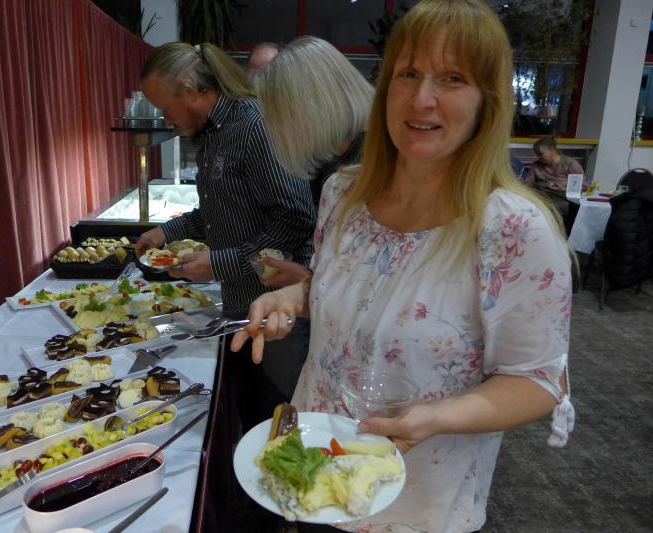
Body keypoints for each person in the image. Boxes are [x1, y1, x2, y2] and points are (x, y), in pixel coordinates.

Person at [232, 1, 573, 532]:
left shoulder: (513, 228)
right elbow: (357, 290)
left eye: (453, 78)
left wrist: (436, 417)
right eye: (408, 73)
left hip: (415, 502)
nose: (422, 98)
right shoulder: (344, 193)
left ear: (488, 102)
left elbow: (537, 379)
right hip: (312, 471)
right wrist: (294, 297)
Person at [135, 42, 316, 430]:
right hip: (241, 307)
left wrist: (219, 263)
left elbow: (296, 220)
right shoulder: (215, 133)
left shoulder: (253, 126)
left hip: (278, 312)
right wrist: (167, 231)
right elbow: (220, 212)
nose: (166, 119)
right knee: (249, 418)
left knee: (278, 422)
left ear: (188, 90)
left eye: (165, 107)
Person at [252, 35, 374, 288]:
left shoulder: (370, 161)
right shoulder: (335, 154)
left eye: (278, 115)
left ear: (311, 107)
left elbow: (366, 282)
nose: (276, 129)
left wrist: (307, 281)